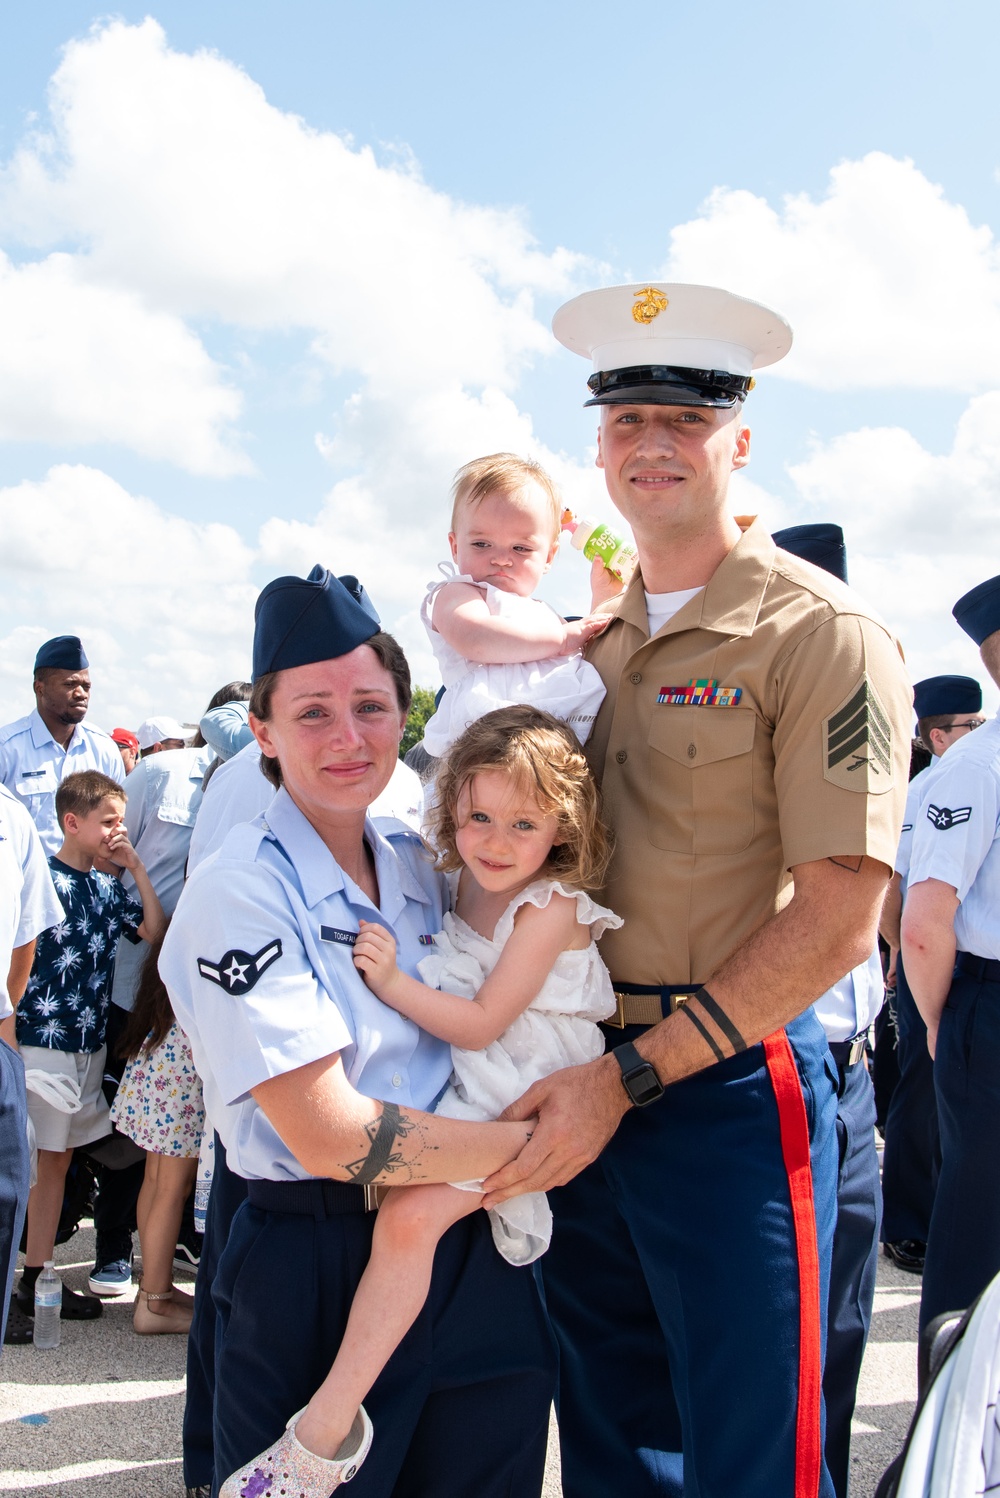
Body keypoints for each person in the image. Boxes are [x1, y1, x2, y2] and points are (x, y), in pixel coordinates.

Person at [479, 282, 913, 1498]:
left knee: (751, 1451)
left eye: (684, 416)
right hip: (569, 1069)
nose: (652, 444)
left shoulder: (819, 633)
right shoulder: (593, 640)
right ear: (598, 447)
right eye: (626, 422)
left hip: (722, 1088)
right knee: (612, 1435)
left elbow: (839, 916)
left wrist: (629, 1077)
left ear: (740, 439)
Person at [159, 565, 557, 1498]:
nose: (349, 738)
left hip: (468, 1243)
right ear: (261, 731)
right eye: (312, 713)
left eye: (372, 708)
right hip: (318, 1257)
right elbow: (331, 1134)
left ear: (406, 715)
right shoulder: (240, 889)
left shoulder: (421, 862)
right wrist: (537, 1145)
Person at [220, 704, 618, 1496]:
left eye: (524, 825)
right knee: (400, 1222)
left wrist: (394, 983)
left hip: (518, 1082)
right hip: (477, 1078)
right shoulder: (458, 881)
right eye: (478, 817)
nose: (495, 842)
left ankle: (324, 1429)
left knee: (407, 1219)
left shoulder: (550, 906)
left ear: (563, 833)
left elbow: (480, 1024)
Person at [774, 521, 886, 1498]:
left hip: (853, 1073)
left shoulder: (863, 731)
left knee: (842, 1318)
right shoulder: (746, 739)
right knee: (779, 1330)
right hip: (774, 1058)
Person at [14, 770, 166, 1324]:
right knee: (33, 1162)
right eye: (107, 821)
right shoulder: (39, 881)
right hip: (41, 1042)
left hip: (88, 1043)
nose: (117, 831)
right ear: (71, 823)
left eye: (120, 821)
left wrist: (137, 869)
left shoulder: (106, 887)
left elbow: (153, 929)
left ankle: (37, 1277)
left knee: (56, 1161)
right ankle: (27, 1279)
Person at [903, 575, 1000, 1331]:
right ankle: (949, 1425)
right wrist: (942, 1024)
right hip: (988, 1005)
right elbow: (925, 921)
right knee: (977, 1225)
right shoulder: (972, 767)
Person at [879, 674, 983, 1275]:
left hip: (961, 957)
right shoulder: (921, 792)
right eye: (970, 724)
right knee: (920, 1092)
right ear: (938, 737)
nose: (981, 731)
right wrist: (897, 951)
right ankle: (910, 1224)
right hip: (933, 959)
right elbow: (896, 886)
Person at [418, 453, 609, 758]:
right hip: (486, 740)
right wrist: (562, 639)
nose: (501, 558)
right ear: (455, 547)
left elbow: (587, 654)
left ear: (548, 557)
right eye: (482, 544)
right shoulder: (459, 594)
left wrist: (602, 601)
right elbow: (477, 639)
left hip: (558, 744)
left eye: (521, 548)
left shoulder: (545, 614)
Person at [111, 936, 204, 1334]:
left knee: (155, 1181)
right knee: (171, 1189)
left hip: (163, 1049)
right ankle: (154, 1304)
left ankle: (155, 1288)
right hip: (183, 1067)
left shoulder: (183, 924)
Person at [0, 785, 64, 1347]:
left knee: (7, 1194)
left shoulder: (11, 815)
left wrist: (5, 1022)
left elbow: (27, 933)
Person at [0, 636, 125, 856]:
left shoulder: (103, 749)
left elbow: (119, 824)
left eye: (86, 686)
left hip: (88, 884)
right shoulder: (8, 748)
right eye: (70, 684)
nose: (81, 693)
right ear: (40, 688)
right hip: (26, 884)